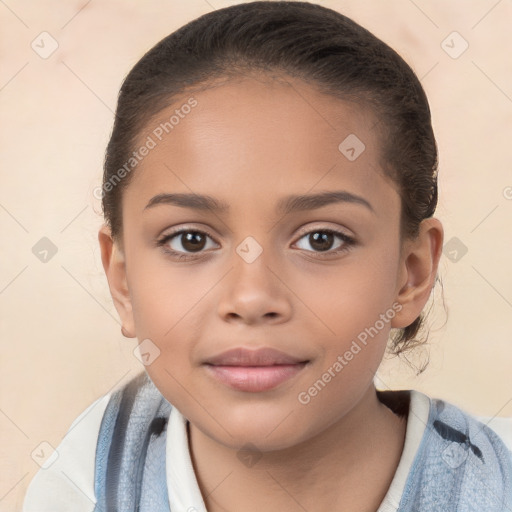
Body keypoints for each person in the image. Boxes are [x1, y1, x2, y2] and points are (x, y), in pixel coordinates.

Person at [23, 2, 512, 511]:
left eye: (322, 239)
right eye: (190, 240)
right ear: (122, 282)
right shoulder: (81, 489)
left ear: (411, 275)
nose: (252, 297)